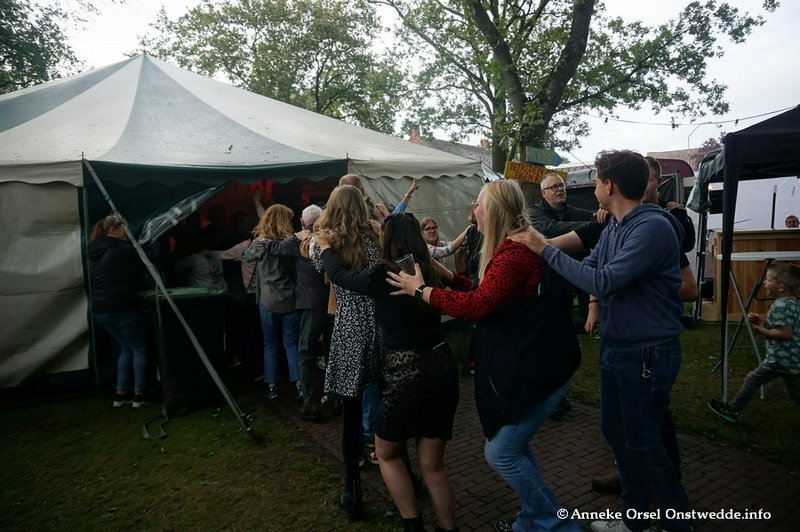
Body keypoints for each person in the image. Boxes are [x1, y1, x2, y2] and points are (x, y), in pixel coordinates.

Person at [387, 180, 580, 532]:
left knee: (501, 453)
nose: (473, 210)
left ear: (493, 210)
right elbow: (487, 291)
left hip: (539, 366)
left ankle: (556, 524)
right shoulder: (513, 246)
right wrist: (447, 276)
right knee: (513, 448)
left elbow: (478, 305)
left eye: (478, 203)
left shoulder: (513, 253)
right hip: (543, 361)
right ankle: (532, 520)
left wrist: (422, 291)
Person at [514, 150, 691, 532]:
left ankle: (676, 523)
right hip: (618, 348)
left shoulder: (651, 227)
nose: (592, 186)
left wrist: (543, 248)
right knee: (617, 432)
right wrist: (537, 261)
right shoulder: (615, 225)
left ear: (609, 186)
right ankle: (636, 518)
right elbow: (591, 266)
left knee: (645, 442)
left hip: (646, 352)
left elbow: (603, 281)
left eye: (595, 180)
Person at [316, 212, 461, 532]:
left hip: (407, 370)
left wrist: (325, 247)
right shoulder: (428, 269)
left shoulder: (383, 274)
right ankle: (448, 528)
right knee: (432, 465)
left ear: (388, 239)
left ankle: (412, 524)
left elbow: (341, 277)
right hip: (442, 365)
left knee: (387, 453)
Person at [309, 184, 384, 522]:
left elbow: (318, 264)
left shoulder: (325, 243)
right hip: (379, 325)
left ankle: (352, 488)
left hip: (350, 327)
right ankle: (402, 469)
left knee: (350, 414)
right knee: (384, 400)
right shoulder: (374, 238)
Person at [254, 204, 329, 421]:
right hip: (323, 301)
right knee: (320, 348)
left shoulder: (296, 240)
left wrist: (263, 239)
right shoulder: (327, 236)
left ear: (303, 222)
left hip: (299, 302)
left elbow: (266, 251)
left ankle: (303, 398)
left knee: (296, 349)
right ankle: (326, 395)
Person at [708, 263, 800, 421]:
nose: (764, 283)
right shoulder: (792, 302)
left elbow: (785, 334)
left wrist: (760, 329)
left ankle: (733, 410)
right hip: (792, 358)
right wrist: (762, 321)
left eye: (768, 280)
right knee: (795, 391)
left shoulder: (780, 306)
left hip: (780, 359)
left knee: (753, 379)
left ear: (781, 287)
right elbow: (783, 325)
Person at [88, 213, 150, 408]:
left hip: (100, 310)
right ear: (114, 230)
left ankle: (120, 394)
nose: (128, 232)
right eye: (125, 228)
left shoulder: (95, 249)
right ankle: (139, 395)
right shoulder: (123, 249)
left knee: (126, 347)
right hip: (121, 307)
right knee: (139, 348)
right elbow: (144, 266)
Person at [243, 204, 300, 401]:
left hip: (267, 299)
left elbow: (246, 256)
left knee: (270, 344)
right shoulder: (290, 242)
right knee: (291, 343)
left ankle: (272, 386)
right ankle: (299, 384)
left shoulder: (261, 243)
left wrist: (255, 242)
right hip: (289, 299)